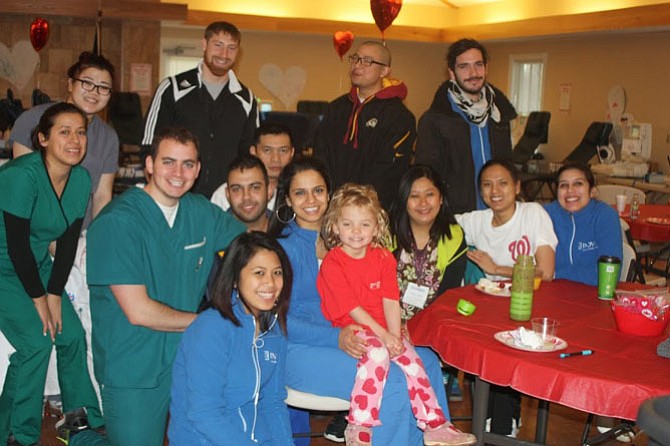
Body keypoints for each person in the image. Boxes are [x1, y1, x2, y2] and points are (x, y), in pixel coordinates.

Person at [267, 157, 456, 446]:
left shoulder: (351, 236)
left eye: (317, 190)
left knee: (427, 362)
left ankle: (432, 435)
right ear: (288, 201)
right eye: (300, 193)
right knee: (394, 380)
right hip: (303, 348)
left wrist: (394, 329)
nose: (311, 200)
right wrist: (335, 337)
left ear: (328, 194)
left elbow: (379, 293)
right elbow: (275, 318)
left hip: (360, 337)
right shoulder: (279, 249)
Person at [76, 127, 245, 446]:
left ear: (197, 169)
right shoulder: (117, 223)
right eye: (168, 162)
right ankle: (81, 438)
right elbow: (139, 312)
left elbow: (250, 248)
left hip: (188, 357)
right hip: (134, 366)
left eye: (188, 164)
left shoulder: (200, 212)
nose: (178, 173)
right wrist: (212, 322)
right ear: (149, 165)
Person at [317, 184, 477, 446]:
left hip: (383, 329)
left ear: (376, 227)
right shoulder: (334, 262)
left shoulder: (382, 257)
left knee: (414, 362)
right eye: (348, 224)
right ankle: (359, 424)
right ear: (335, 227)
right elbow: (352, 310)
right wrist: (384, 337)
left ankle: (434, 424)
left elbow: (391, 300)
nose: (356, 232)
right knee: (379, 354)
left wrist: (395, 335)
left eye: (364, 224)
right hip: (354, 327)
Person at [0, 103, 103, 446]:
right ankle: (16, 432)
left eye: (80, 132)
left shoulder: (81, 179)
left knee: (71, 333)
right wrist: (40, 299)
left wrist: (55, 293)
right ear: (42, 138)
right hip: (4, 267)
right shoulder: (19, 176)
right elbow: (15, 247)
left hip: (38, 265)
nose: (75, 140)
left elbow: (68, 243)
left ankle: (76, 418)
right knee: (36, 343)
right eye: (64, 131)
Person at [456, 159, 557, 437]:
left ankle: (503, 419)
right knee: (482, 340)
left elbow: (545, 272)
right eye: (487, 185)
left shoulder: (532, 214)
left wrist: (496, 268)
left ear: (517, 186)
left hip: (531, 304)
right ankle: (495, 417)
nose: (495, 191)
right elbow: (436, 220)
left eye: (503, 183)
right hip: (490, 306)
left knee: (504, 344)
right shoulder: (476, 221)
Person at [169, 231, 294, 445]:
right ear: (235, 279)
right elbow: (205, 415)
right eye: (259, 273)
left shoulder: (274, 329)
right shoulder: (211, 328)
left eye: (277, 273)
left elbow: (272, 403)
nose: (271, 283)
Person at [142, 21, 258, 198]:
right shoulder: (172, 89)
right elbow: (149, 145)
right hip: (176, 194)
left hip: (225, 201)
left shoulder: (246, 99)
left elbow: (249, 156)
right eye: (218, 45)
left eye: (231, 48)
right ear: (204, 44)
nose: (224, 54)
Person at [10, 51, 118, 229]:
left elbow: (101, 197)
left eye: (103, 87)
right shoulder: (32, 120)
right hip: (32, 233)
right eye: (87, 83)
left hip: (78, 236)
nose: (94, 92)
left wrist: (97, 239)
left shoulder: (108, 136)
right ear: (70, 84)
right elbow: (22, 189)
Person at [414, 38, 517, 214]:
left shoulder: (499, 114)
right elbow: (427, 178)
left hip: (498, 211)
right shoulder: (434, 120)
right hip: (457, 215)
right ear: (452, 73)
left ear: (486, 68)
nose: (473, 73)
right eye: (464, 67)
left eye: (478, 65)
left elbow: (507, 165)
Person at [313, 41, 415, 211]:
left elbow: (389, 170)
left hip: (372, 208)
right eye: (355, 59)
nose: (357, 65)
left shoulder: (399, 116)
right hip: (331, 205)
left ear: (384, 71)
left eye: (367, 61)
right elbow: (321, 154)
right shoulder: (336, 108)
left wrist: (357, 203)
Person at [390, 165, 467, 321]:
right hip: (387, 326)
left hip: (435, 324)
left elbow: (448, 295)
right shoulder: (386, 236)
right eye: (414, 196)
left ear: (441, 198)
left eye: (429, 194)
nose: (423, 203)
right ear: (404, 200)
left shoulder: (453, 236)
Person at [545, 162, 623, 286]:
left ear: (592, 191)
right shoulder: (545, 215)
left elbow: (608, 274)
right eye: (563, 185)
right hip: (551, 293)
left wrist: (553, 274)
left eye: (578, 183)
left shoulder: (605, 216)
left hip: (594, 296)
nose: (570, 190)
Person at [211, 121, 294, 211]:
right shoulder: (229, 193)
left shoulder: (298, 191)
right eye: (267, 150)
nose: (275, 159)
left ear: (292, 153)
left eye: (283, 150)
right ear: (253, 152)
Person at [223, 154, 272, 232]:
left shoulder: (289, 234)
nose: (246, 197)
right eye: (236, 189)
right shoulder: (214, 236)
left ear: (269, 190)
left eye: (255, 188)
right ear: (228, 194)